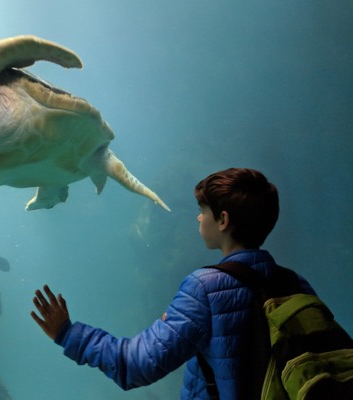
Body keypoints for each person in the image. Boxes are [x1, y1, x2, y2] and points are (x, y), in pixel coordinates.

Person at [30, 168, 315, 399]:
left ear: (223, 220)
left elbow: (136, 366)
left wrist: (68, 334)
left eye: (203, 209)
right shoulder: (296, 283)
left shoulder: (205, 288)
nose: (198, 216)